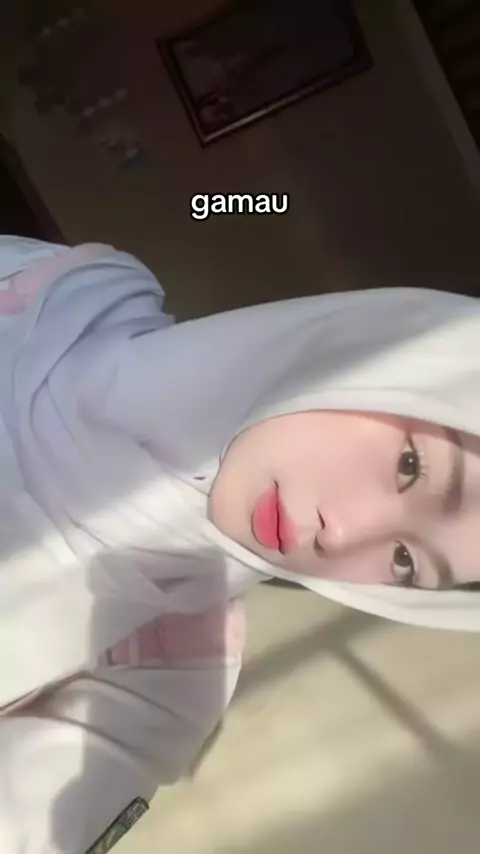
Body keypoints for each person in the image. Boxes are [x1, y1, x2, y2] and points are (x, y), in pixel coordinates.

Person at [0, 235, 479, 853]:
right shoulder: (71, 288)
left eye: (405, 562)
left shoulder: (172, 667)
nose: (341, 534)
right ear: (380, 347)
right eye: (410, 465)